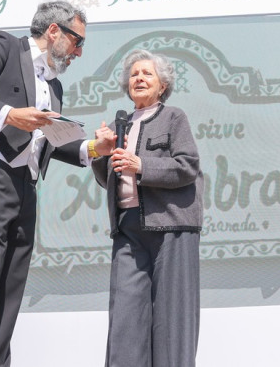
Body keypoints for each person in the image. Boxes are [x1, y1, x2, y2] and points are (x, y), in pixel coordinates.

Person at [0, 1, 115, 367]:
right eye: (78, 42)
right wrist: (9, 114)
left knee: (9, 289)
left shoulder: (54, 85)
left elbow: (51, 142)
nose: (79, 52)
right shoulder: (4, 47)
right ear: (54, 31)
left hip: (24, 186)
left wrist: (96, 147)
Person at [91, 49, 204, 367]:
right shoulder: (120, 123)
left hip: (171, 225)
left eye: (147, 74)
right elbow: (108, 180)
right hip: (127, 227)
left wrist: (141, 164)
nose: (138, 78)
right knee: (125, 317)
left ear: (163, 85)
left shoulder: (174, 117)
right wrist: (102, 153)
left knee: (172, 318)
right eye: (134, 74)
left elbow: (187, 166)